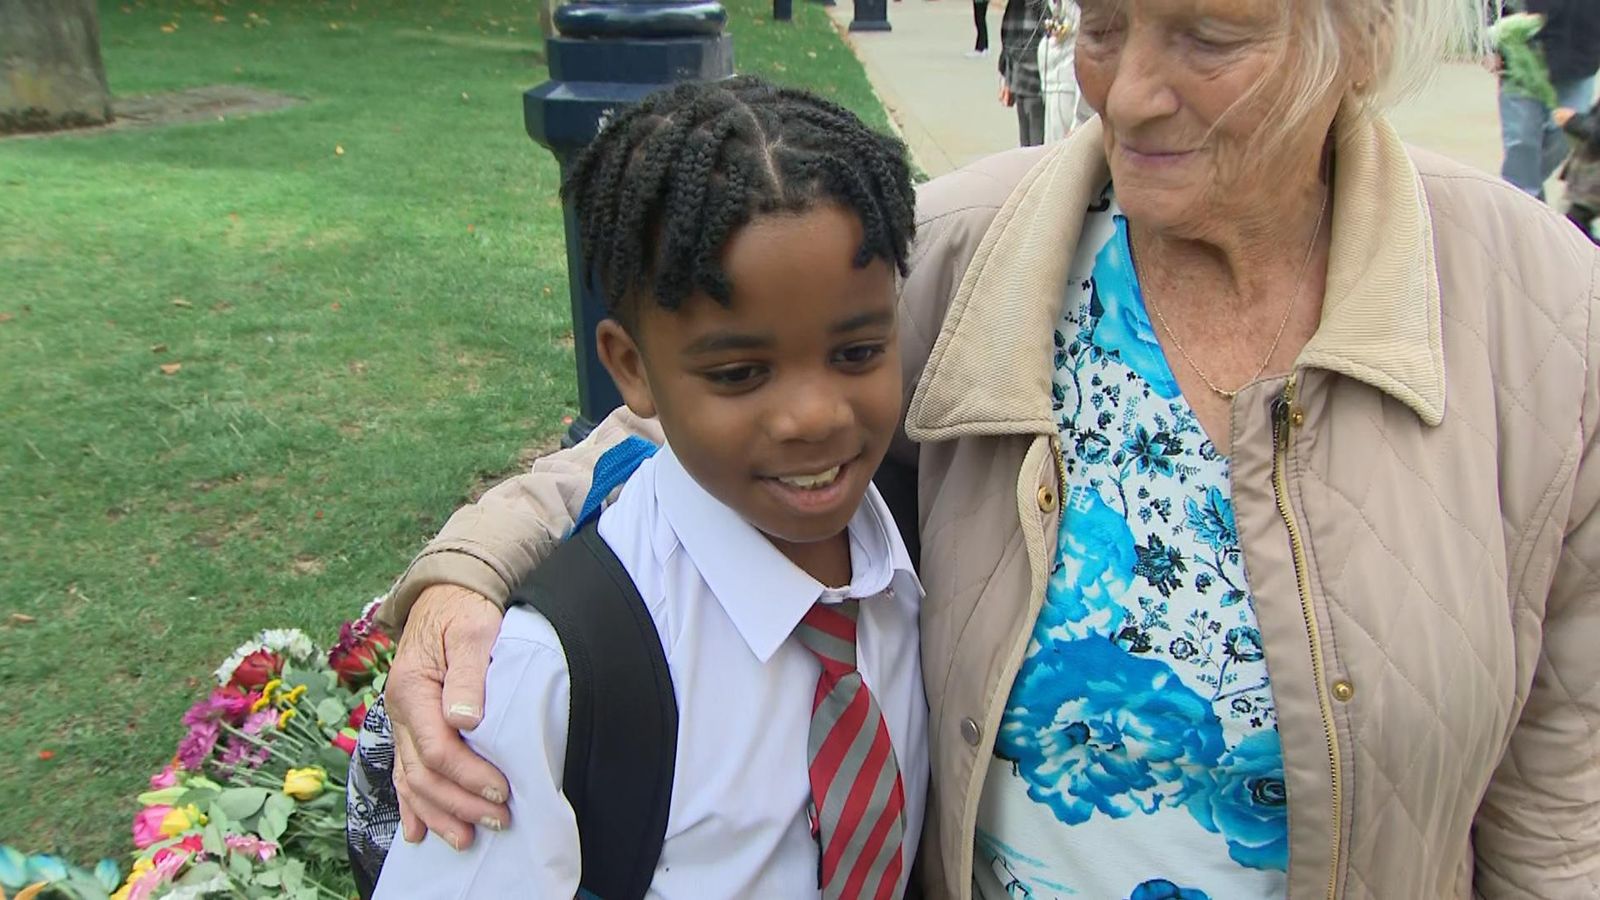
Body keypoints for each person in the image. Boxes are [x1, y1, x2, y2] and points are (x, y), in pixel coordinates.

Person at [377, 0, 1600, 897]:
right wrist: (465, 576)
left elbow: (1563, 799)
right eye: (1105, 25)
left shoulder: (1535, 307)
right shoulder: (974, 249)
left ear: (1361, 38)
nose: (1125, 94)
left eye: (1207, 39)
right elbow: (682, 413)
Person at [367, 76, 928, 898]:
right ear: (631, 367)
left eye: (856, 353)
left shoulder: (920, 546)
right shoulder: (546, 675)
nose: (814, 416)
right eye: (740, 373)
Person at [1493, 0, 1600, 197]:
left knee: (1569, 135)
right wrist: (1490, 44)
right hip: (1522, 57)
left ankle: (1519, 192)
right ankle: (1521, 199)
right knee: (1521, 140)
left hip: (1580, 58)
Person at [1036, 0, 1089, 143]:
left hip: (1069, 86)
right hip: (1052, 85)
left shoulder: (1079, 12)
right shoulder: (1055, 8)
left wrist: (1079, 122)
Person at [997, 0, 1046, 146]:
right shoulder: (1019, 5)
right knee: (1029, 142)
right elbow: (1007, 38)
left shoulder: (1039, 5)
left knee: (1033, 143)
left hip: (1032, 78)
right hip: (1024, 77)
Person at [1555, 101, 1600, 241]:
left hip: (1592, 182)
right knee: (1573, 228)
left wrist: (1573, 121)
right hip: (1589, 182)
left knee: (1573, 230)